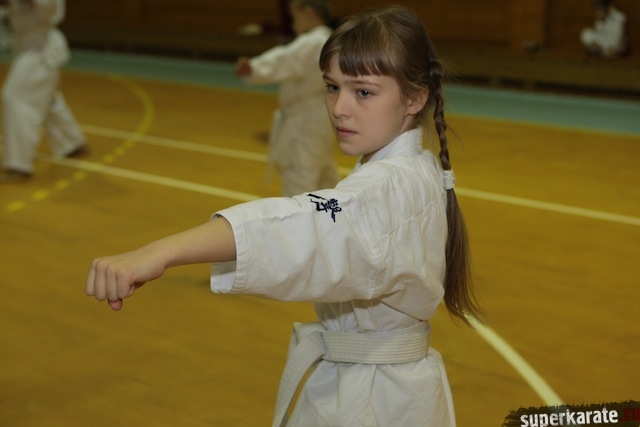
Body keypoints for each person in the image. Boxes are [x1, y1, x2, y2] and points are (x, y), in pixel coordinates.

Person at [86, 6, 481, 427]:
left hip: (370, 403)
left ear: (415, 98)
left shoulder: (388, 190)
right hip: (381, 388)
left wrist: (161, 251)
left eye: (363, 92)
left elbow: (303, 223)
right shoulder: (411, 169)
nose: (340, 108)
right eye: (332, 87)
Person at [235, 0, 338, 197]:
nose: (293, 24)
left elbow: (287, 58)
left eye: (295, 18)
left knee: (300, 176)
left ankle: (302, 217)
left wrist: (254, 68)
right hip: (320, 117)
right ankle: (334, 213)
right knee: (323, 173)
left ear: (309, 13)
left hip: (305, 121)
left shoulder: (313, 41)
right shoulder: (331, 39)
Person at [1, 0, 86, 183]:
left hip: (40, 48)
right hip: (26, 45)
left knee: (14, 97)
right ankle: (71, 142)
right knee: (44, 97)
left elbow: (49, 7)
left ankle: (18, 164)